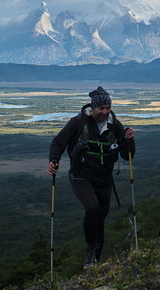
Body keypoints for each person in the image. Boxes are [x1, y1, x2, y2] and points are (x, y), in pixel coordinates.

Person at [47, 86, 135, 268]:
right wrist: (53, 161)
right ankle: (89, 252)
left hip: (104, 179)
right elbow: (58, 142)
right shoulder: (78, 123)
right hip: (81, 176)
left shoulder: (115, 126)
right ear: (92, 108)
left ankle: (94, 261)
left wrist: (129, 139)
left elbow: (127, 155)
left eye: (107, 108)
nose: (104, 112)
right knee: (92, 208)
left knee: (100, 221)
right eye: (101, 108)